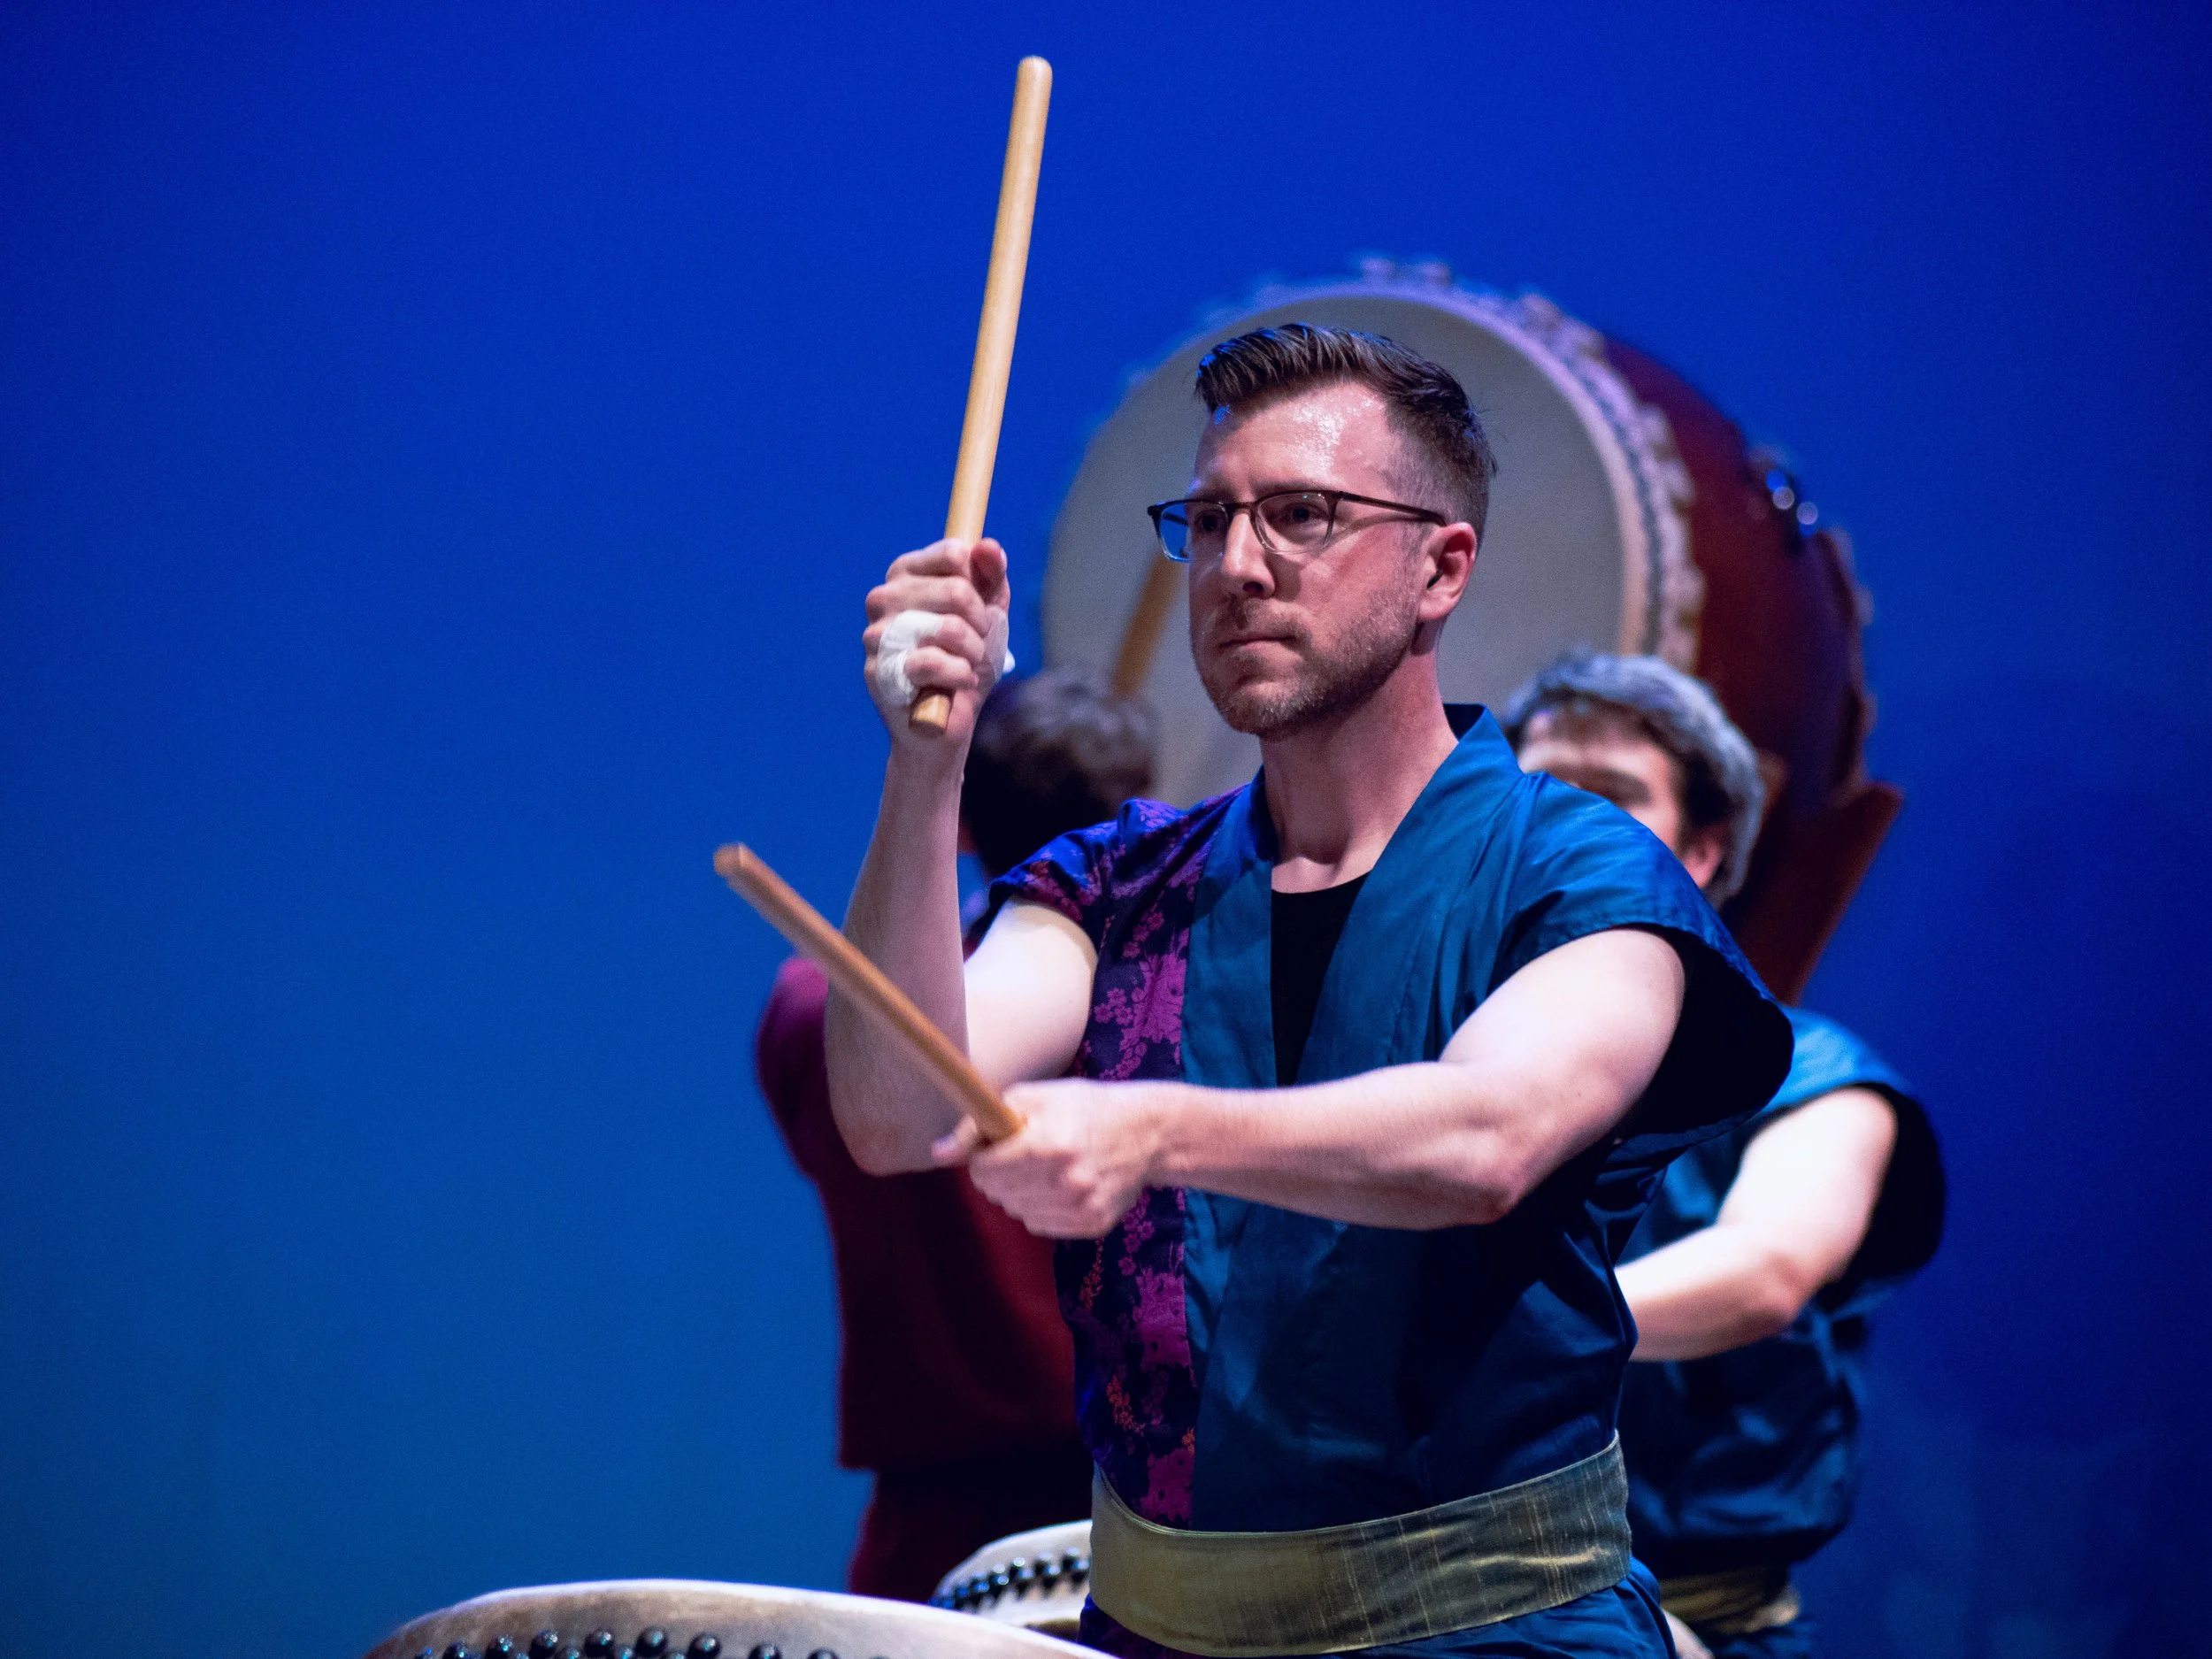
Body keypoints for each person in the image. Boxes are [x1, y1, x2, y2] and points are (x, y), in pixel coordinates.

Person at [825, 324, 1793, 1659]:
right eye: (1209, 520)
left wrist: (1152, 1128)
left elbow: (1489, 1138)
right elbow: (893, 1112)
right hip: (1152, 1634)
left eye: (1302, 515)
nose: (1236, 565)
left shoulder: (1577, 871)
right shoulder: (1118, 885)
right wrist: (927, 762)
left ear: (1441, 566)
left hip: (1493, 1636)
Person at [1504, 653, 1944, 1659]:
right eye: (1540, 788)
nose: (1565, 820)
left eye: (1613, 793)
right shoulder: (1433, 1046)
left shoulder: (1817, 1075)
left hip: (1690, 1619)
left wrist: (1498, 1329)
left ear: (1700, 849)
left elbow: (1764, 1273)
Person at [755, 666, 1156, 1601]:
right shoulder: (1167, 1006)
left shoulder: (815, 1012)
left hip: (934, 1534)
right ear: (1139, 820)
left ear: (965, 822)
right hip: (1136, 1521)